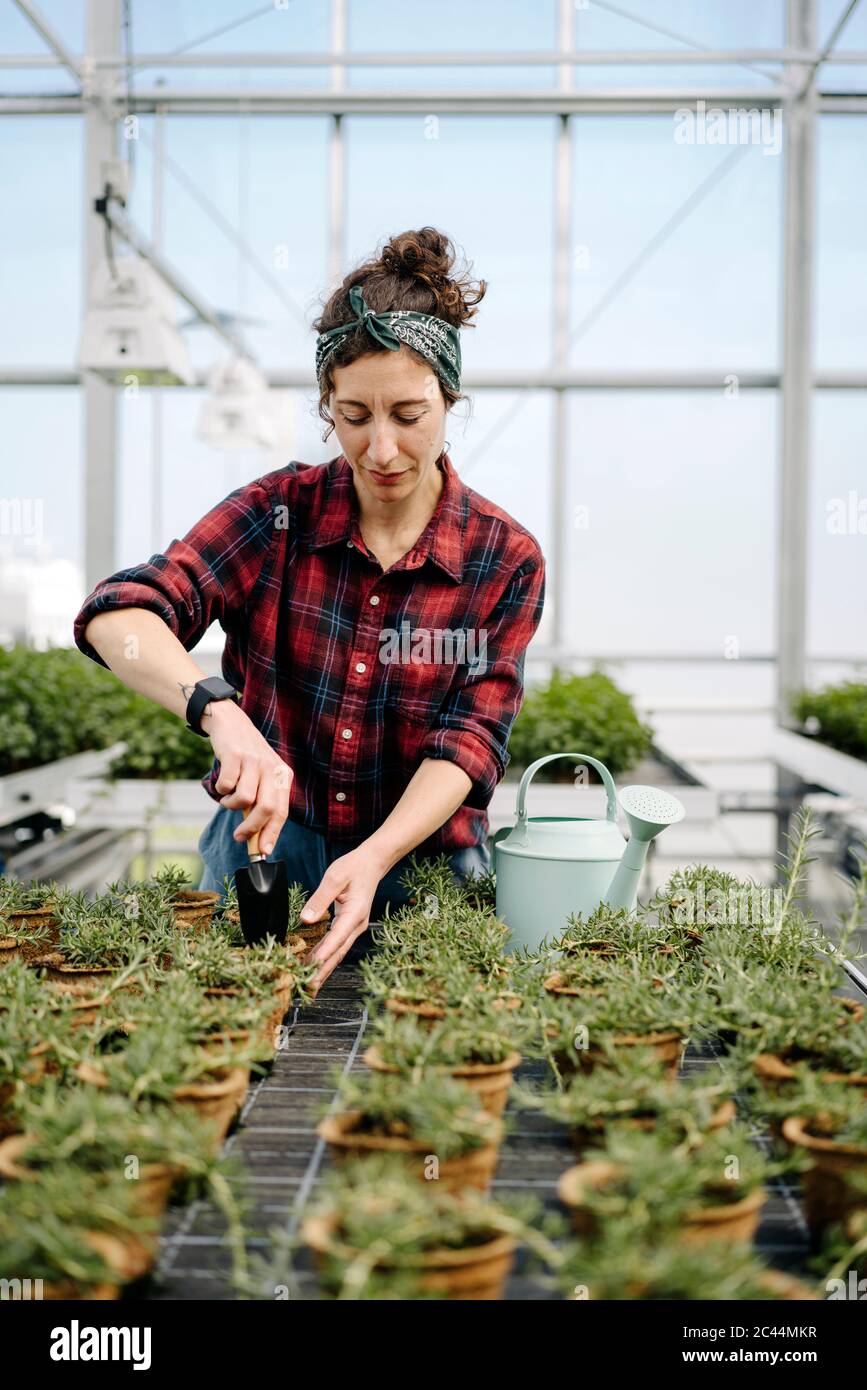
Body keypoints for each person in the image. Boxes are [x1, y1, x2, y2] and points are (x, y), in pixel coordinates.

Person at [74, 227, 546, 988]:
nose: (382, 448)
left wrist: (374, 856)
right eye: (354, 415)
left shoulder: (501, 556)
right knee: (226, 1040)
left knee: (423, 1071)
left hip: (420, 865)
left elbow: (470, 742)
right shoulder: (275, 515)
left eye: (409, 413)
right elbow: (118, 613)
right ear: (326, 403)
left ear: (449, 399)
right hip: (263, 851)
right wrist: (220, 715)